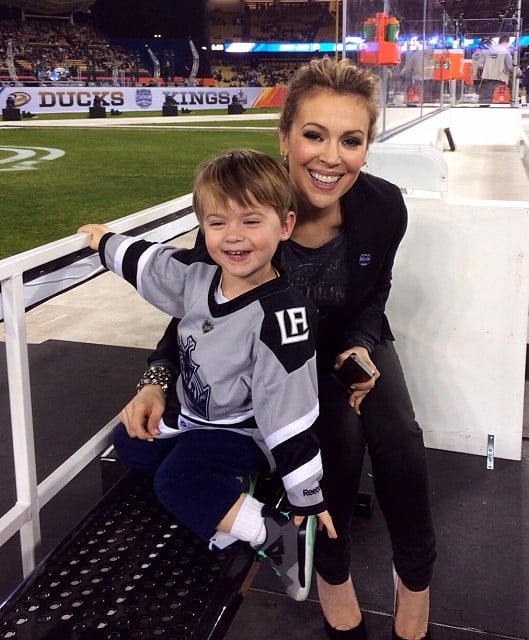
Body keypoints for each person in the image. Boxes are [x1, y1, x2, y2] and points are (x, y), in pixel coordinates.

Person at [122, 58, 436, 640]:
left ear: (368, 144)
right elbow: (196, 313)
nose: (330, 157)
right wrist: (157, 378)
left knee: (399, 438)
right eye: (314, 135)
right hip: (275, 360)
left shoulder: (385, 207)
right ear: (284, 137)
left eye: (351, 140)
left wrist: (361, 346)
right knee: (335, 439)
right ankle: (331, 578)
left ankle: (415, 581)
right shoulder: (245, 212)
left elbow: (375, 291)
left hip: (347, 344)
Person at [78, 148, 336, 602]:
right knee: (127, 443)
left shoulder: (283, 315)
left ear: (286, 225)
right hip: (194, 416)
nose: (233, 237)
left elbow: (289, 411)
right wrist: (104, 242)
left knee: (177, 479)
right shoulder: (198, 277)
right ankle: (223, 499)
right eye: (218, 223)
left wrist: (307, 497)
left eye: (251, 221)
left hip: (243, 432)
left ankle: (280, 537)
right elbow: (149, 263)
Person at [479, 35, 513, 104]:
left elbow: (480, 66)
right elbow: (510, 67)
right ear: (506, 42)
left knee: (485, 103)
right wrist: (518, 72)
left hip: (486, 81)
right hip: (499, 81)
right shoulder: (506, 52)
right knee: (498, 103)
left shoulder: (488, 51)